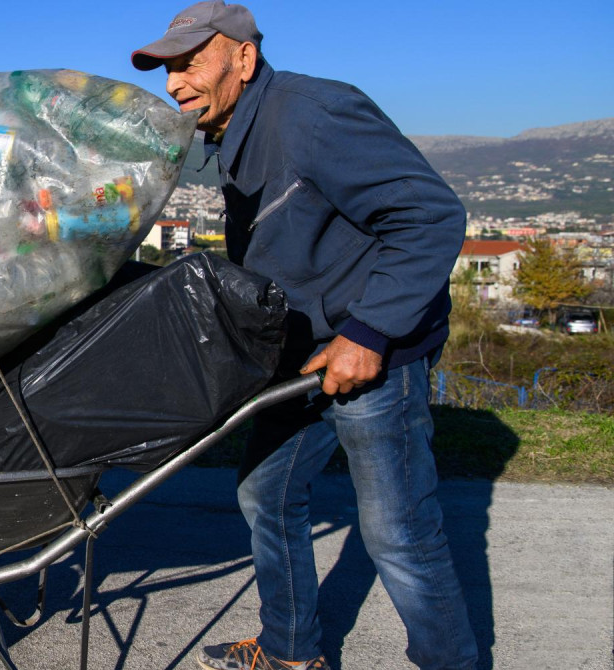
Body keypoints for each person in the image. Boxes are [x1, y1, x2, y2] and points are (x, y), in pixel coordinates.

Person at [130, 2, 479, 669]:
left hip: (371, 347)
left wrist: (368, 334)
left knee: (398, 531)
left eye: (188, 62)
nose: (174, 84)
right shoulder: (231, 135)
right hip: (299, 355)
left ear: (242, 57)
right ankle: (293, 653)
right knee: (267, 492)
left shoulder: (311, 114)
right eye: (168, 70)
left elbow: (432, 217)